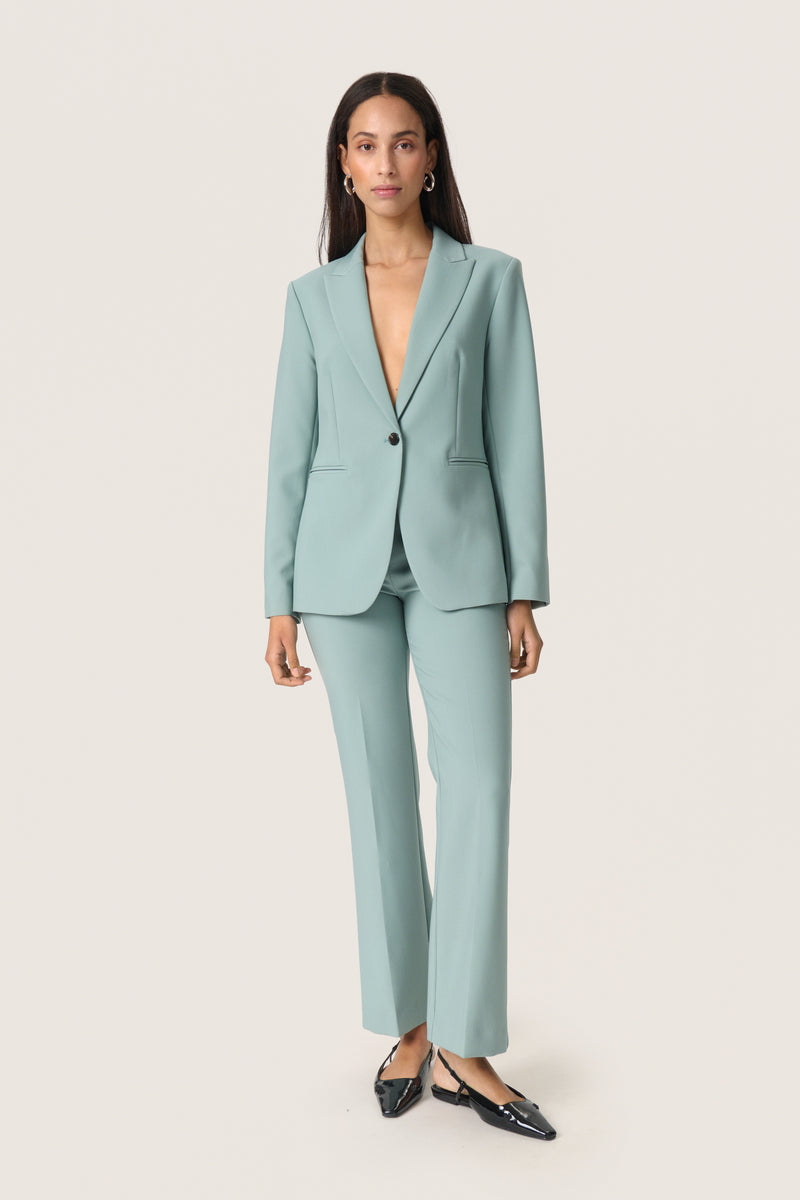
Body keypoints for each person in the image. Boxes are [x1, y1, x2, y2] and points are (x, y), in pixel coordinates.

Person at [263, 72, 556, 1142]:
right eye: (363, 144)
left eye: (402, 142)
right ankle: (411, 1024)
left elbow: (516, 433)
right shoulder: (311, 298)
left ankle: (466, 1046)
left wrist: (524, 586)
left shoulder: (490, 280)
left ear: (431, 157)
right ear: (342, 165)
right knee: (378, 792)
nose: (383, 162)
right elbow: (289, 450)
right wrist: (277, 598)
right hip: (339, 574)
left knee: (477, 785)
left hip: (461, 564)